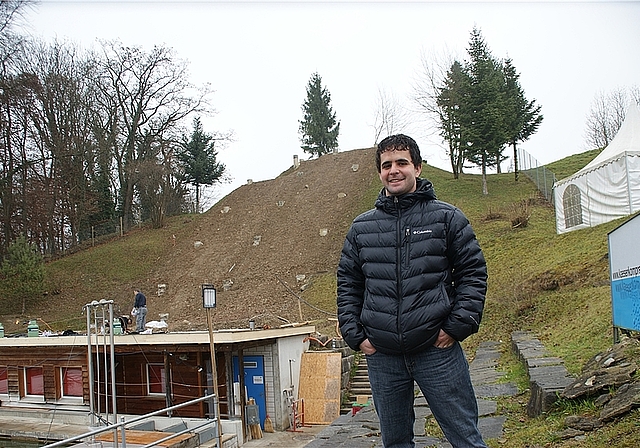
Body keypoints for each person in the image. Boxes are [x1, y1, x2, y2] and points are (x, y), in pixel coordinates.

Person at [337, 134, 488, 448]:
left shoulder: (447, 218)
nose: (394, 170)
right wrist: (357, 336)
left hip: (437, 350)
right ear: (380, 172)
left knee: (466, 439)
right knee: (395, 443)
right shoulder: (361, 228)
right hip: (382, 356)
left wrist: (455, 327)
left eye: (402, 163)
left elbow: (473, 274)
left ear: (417, 167)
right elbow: (348, 284)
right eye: (386, 165)